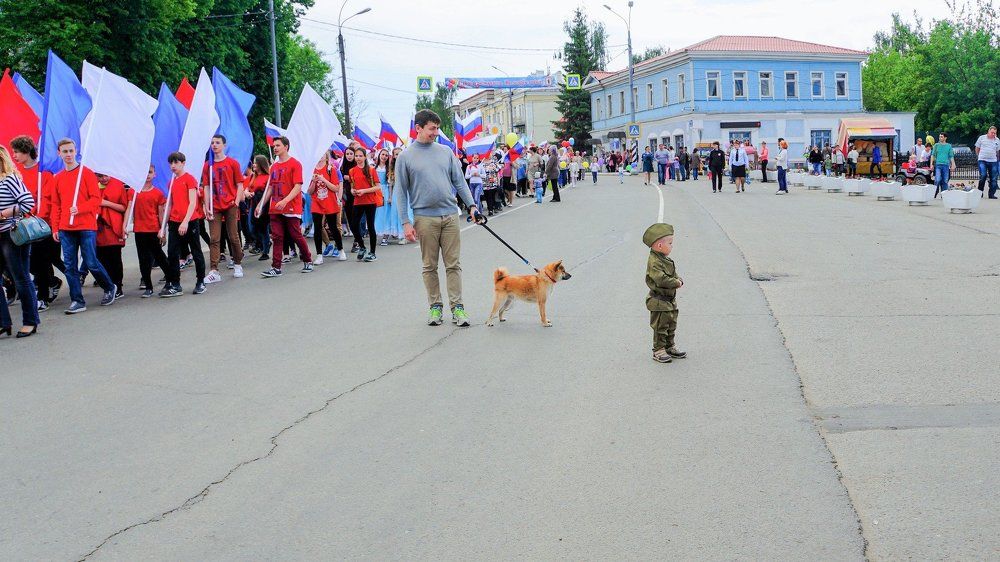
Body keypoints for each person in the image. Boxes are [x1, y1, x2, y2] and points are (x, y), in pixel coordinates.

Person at [394, 109, 480, 327]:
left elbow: (459, 182)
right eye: (432, 128)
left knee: (453, 265)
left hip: (450, 215)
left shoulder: (445, 151)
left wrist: (472, 206)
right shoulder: (405, 157)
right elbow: (400, 192)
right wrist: (405, 222)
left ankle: (458, 307)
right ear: (418, 128)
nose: (436, 133)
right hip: (424, 218)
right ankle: (435, 307)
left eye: (437, 128)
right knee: (429, 266)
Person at [49, 139, 117, 313]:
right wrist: (55, 227)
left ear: (76, 151)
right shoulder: (58, 178)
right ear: (59, 153)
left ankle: (109, 287)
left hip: (86, 225)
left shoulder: (86, 173)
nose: (68, 154)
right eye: (65, 151)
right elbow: (56, 204)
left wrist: (80, 208)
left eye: (71, 151)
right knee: (70, 266)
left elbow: (95, 199)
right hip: (66, 228)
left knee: (91, 262)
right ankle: (77, 300)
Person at [10, 135, 63, 311]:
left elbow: (48, 199)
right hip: (23, 225)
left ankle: (43, 297)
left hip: (41, 224)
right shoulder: (16, 174)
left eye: (17, 152)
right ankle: (53, 282)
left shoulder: (44, 173)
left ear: (26, 151)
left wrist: (36, 214)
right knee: (31, 262)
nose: (14, 155)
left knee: (42, 261)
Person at [256, 136, 313, 276]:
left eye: (278, 145)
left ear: (286, 147)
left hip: (291, 206)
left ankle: (308, 260)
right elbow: (270, 188)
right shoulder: (273, 167)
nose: (275, 148)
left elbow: (298, 186)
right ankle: (276, 267)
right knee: (277, 237)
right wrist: (261, 204)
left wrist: (285, 201)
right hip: (275, 207)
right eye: (274, 145)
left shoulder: (295, 164)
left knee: (295, 235)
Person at [0, 145, 39, 337]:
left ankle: (30, 321)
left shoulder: (10, 179)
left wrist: (3, 213)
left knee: (21, 278)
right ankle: (3, 322)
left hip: (12, 234)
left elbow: (28, 203)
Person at [160, 152, 207, 296]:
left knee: (196, 251)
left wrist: (185, 221)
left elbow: (192, 202)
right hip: (174, 222)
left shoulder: (189, 179)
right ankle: (175, 284)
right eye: (171, 163)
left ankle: (200, 282)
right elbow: (169, 204)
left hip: (190, 221)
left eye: (176, 162)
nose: (173, 166)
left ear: (183, 163)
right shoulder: (171, 182)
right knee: (172, 253)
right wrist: (163, 226)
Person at [201, 135, 246, 283]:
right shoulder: (208, 165)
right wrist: (207, 206)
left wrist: (236, 202)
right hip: (215, 206)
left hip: (230, 204)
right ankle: (214, 270)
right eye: (212, 143)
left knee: (233, 236)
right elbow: (206, 187)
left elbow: (240, 184)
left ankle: (238, 264)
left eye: (217, 142)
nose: (214, 145)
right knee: (214, 238)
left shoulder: (232, 163)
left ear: (224, 145)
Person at [643, 223, 685, 364]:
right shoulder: (654, 262)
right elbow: (661, 279)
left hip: (669, 300)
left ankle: (669, 346)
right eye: (670, 243)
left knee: (671, 324)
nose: (672, 246)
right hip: (659, 302)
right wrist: (676, 282)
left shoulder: (664, 259)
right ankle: (659, 350)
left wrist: (678, 278)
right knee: (661, 327)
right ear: (660, 246)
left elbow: (672, 273)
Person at [131, 166, 172, 298]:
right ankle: (148, 286)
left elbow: (161, 214)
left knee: (159, 256)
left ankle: (170, 279)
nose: (147, 175)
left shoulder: (158, 193)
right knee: (143, 259)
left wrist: (162, 230)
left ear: (154, 174)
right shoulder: (134, 192)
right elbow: (129, 210)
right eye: (145, 172)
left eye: (150, 172)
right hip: (139, 230)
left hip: (153, 230)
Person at [94, 173, 128, 298]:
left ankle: (118, 286)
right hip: (98, 229)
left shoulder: (118, 185)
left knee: (115, 259)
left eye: (106, 175)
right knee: (101, 259)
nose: (103, 179)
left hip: (113, 228)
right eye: (100, 176)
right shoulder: (92, 185)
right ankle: (108, 286)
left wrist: (105, 203)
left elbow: (124, 207)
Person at [308, 151, 345, 264]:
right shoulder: (312, 170)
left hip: (329, 202)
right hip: (317, 202)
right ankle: (319, 255)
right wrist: (314, 182)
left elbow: (336, 188)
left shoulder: (331, 169)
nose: (320, 156)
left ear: (326, 156)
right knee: (318, 227)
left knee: (333, 227)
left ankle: (340, 250)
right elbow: (309, 191)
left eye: (322, 153)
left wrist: (324, 179)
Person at [347, 147, 381, 262]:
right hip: (358, 201)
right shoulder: (352, 171)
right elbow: (352, 187)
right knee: (353, 225)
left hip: (370, 201)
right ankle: (362, 246)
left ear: (365, 157)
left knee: (370, 227)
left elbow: (378, 187)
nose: (358, 158)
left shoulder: (371, 170)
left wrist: (364, 191)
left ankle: (373, 253)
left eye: (360, 156)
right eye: (356, 156)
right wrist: (353, 191)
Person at [974, 125, 999, 199]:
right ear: (988, 131)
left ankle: (991, 194)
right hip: (982, 160)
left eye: (994, 133)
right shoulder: (982, 138)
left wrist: (996, 159)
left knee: (993, 178)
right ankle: (980, 193)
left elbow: (997, 151)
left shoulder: (997, 140)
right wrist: (979, 156)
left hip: (993, 161)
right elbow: (977, 148)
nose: (993, 134)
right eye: (992, 132)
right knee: (983, 175)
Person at [930, 132, 956, 197]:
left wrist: (953, 164)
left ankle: (944, 195)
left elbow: (951, 156)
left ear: (945, 138)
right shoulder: (936, 145)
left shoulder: (949, 146)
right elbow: (933, 155)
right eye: (939, 136)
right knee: (937, 179)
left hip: (946, 165)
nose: (940, 138)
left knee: (945, 180)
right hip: (938, 165)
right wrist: (931, 164)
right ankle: (934, 193)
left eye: (941, 137)